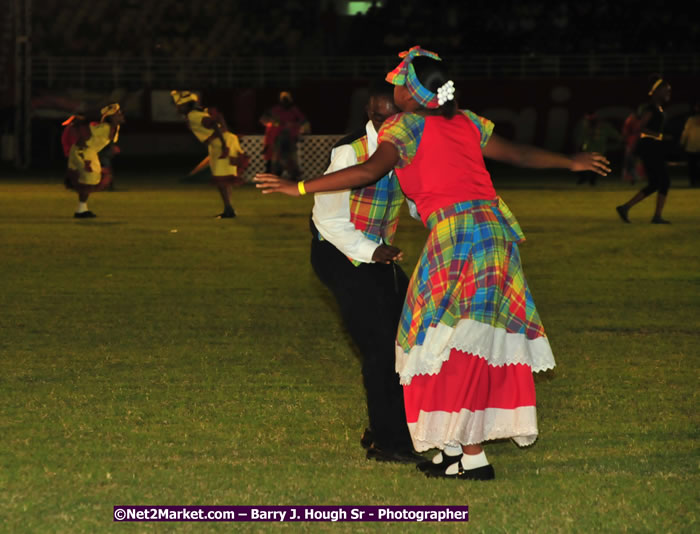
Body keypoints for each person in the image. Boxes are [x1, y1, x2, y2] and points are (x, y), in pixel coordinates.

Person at [255, 46, 610, 480]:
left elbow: (369, 172)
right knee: (461, 338)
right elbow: (517, 154)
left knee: (438, 340)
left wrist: (300, 187)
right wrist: (569, 160)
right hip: (496, 231)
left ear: (413, 94)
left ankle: (470, 455)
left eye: (399, 83)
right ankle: (454, 449)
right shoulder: (465, 120)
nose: (394, 89)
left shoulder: (404, 127)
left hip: (458, 237)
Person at [311, 79, 423, 464]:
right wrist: (371, 249)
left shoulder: (407, 148)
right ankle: (389, 443)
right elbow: (327, 218)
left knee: (405, 336)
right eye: (377, 114)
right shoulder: (350, 150)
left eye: (391, 113)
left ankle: (382, 428)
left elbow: (413, 199)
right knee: (380, 347)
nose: (384, 120)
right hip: (339, 252)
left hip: (378, 254)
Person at [172, 90, 247, 219]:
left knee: (221, 179)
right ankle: (229, 209)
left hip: (220, 144)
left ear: (185, 105)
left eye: (178, 105)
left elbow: (215, 122)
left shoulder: (193, 115)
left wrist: (224, 144)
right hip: (222, 142)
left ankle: (228, 209)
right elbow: (219, 119)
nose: (177, 108)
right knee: (225, 179)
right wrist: (225, 134)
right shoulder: (197, 113)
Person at [615, 76, 673, 224]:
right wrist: (660, 136)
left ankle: (626, 207)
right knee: (664, 181)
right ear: (657, 91)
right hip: (650, 148)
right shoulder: (651, 108)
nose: (668, 94)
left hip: (653, 148)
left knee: (656, 183)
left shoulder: (657, 108)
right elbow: (639, 127)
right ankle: (656, 216)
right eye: (666, 91)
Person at [62, 103, 125, 218]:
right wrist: (81, 122)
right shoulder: (104, 127)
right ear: (111, 117)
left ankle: (82, 209)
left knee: (92, 179)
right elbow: (85, 132)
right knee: (90, 178)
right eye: (118, 114)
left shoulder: (113, 128)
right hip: (83, 152)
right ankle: (81, 209)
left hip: (90, 153)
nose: (121, 115)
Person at [259, 91, 310, 180]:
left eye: (286, 99)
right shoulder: (276, 109)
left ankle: (294, 176)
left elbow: (303, 121)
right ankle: (276, 175)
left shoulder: (294, 110)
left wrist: (294, 125)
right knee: (276, 157)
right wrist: (275, 123)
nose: (285, 101)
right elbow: (264, 119)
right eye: (283, 99)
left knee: (291, 158)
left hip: (290, 137)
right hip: (278, 137)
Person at [575, 111, 621, 185]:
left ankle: (591, 181)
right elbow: (580, 137)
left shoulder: (604, 126)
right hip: (587, 149)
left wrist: (619, 140)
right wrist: (579, 146)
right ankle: (583, 178)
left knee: (596, 165)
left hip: (598, 149)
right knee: (584, 165)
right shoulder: (585, 125)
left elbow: (615, 135)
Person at [621, 106, 646, 184]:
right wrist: (627, 141)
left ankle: (639, 176)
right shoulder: (631, 119)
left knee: (640, 161)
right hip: (632, 142)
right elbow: (626, 132)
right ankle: (630, 178)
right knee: (630, 161)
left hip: (641, 142)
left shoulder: (644, 119)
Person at [680, 99, 700, 188]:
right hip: (692, 146)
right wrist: (682, 142)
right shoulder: (691, 120)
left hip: (692, 146)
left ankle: (694, 181)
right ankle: (694, 181)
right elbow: (686, 132)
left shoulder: (691, 120)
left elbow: (685, 133)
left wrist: (682, 142)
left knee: (692, 166)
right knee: (692, 166)